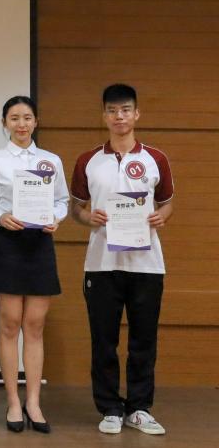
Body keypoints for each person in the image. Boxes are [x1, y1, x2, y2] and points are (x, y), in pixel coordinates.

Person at [69, 84, 173, 436]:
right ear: (104, 116)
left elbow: (167, 203)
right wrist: (88, 217)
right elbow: (76, 208)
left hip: (147, 265)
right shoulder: (88, 160)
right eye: (112, 111)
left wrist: (161, 217)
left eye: (125, 110)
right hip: (101, 265)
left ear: (136, 114)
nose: (119, 117)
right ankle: (110, 408)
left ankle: (140, 408)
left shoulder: (156, 159)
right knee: (104, 340)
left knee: (144, 340)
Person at [0, 96, 68, 433]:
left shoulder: (51, 161)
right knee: (9, 324)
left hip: (40, 243)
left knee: (34, 326)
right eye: (14, 118)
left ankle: (33, 402)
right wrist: (0, 216)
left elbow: (62, 200)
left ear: (36, 122)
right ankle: (13, 402)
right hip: (9, 243)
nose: (21, 124)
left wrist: (55, 218)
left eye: (27, 117)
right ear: (4, 122)